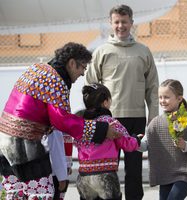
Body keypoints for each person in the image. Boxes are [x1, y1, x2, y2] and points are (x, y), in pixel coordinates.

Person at [0, 42, 120, 199]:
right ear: (71, 63)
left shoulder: (37, 68)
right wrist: (102, 129)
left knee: (16, 193)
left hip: (4, 141)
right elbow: (62, 121)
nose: (83, 73)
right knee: (42, 193)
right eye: (82, 67)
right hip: (25, 144)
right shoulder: (56, 81)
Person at [85, 4, 159, 200]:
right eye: (116, 22)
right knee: (107, 168)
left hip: (137, 119)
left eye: (124, 22)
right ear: (111, 24)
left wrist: (153, 119)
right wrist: (94, 117)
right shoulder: (102, 51)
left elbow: (152, 88)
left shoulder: (143, 51)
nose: (120, 26)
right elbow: (90, 86)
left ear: (131, 23)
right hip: (109, 121)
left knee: (134, 170)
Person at [75, 83, 141, 200]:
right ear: (105, 102)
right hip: (105, 174)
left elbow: (75, 141)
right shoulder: (110, 123)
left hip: (84, 174)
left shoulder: (82, 124)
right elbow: (127, 143)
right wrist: (136, 140)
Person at [139, 79, 187, 200]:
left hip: (186, 174)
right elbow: (147, 145)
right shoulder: (155, 123)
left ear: (179, 98)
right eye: (160, 97)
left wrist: (185, 145)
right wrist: (133, 143)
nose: (162, 101)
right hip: (165, 173)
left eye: (166, 97)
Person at [42, 129, 73, 200]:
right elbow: (57, 152)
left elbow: (67, 144)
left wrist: (68, 164)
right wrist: (62, 177)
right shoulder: (54, 128)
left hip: (54, 170)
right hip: (52, 173)